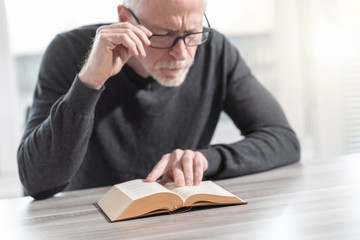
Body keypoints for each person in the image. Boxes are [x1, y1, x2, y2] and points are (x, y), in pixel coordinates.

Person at [18, 0, 300, 200]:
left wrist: (204, 160)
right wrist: (90, 81)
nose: (182, 54)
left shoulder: (215, 50)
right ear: (125, 19)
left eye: (192, 32)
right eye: (164, 35)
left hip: (180, 221)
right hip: (92, 223)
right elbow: (37, 183)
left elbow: (282, 140)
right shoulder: (69, 53)